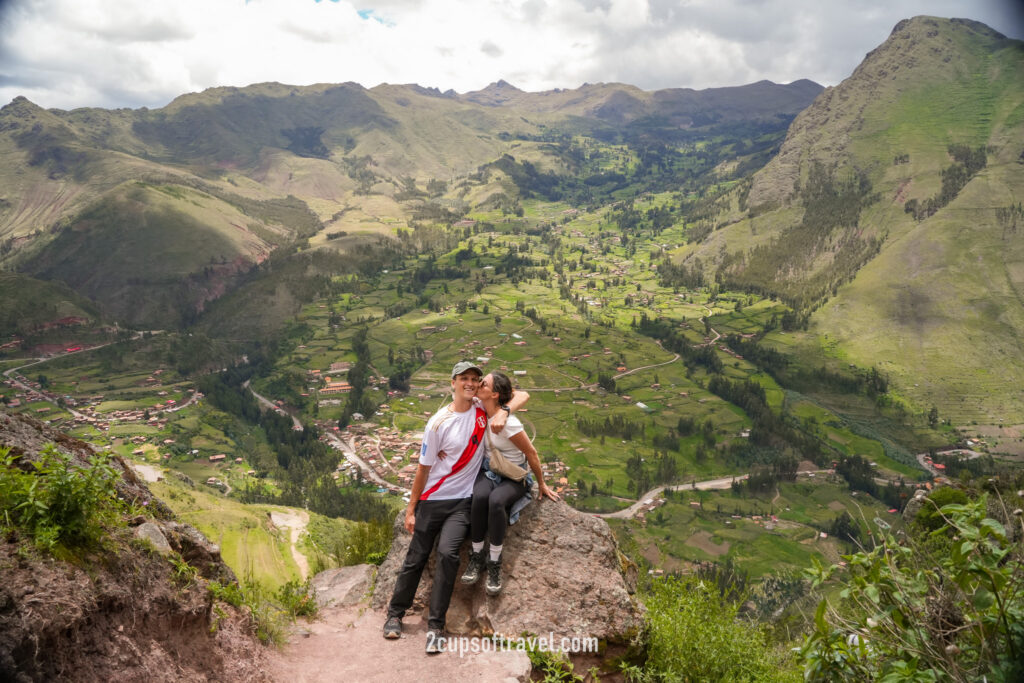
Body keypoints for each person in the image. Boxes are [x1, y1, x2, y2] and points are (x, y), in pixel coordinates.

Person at [382, 361, 527, 653]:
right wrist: (411, 509)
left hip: (462, 502)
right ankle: (394, 615)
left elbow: (521, 394)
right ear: (453, 383)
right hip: (433, 499)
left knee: (448, 556)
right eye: (464, 378)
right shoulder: (437, 423)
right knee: (416, 556)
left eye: (475, 378)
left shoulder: (481, 410)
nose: (471, 383)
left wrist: (506, 411)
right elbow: (423, 470)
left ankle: (436, 626)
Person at [460, 370, 559, 596]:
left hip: (513, 476)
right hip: (490, 471)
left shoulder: (509, 424)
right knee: (479, 496)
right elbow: (520, 394)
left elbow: (531, 454)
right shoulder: (479, 405)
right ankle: (476, 555)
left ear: (494, 394)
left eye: (483, 383)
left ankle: (494, 559)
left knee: (496, 502)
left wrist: (541, 484)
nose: (478, 384)